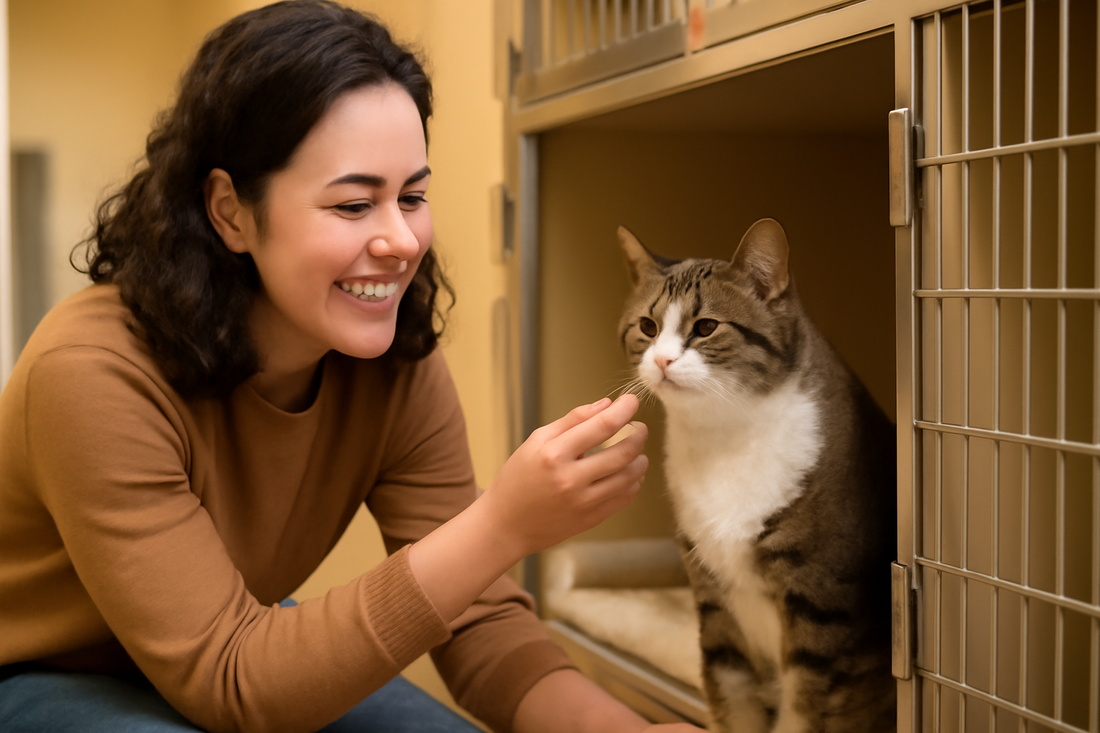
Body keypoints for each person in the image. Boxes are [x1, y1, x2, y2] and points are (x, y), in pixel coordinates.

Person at [0, 2, 707, 732]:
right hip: (47, 669)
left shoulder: (390, 355)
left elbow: (477, 618)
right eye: (354, 204)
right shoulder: (91, 374)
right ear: (230, 211)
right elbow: (235, 681)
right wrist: (501, 524)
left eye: (413, 196)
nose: (401, 240)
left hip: (238, 641)